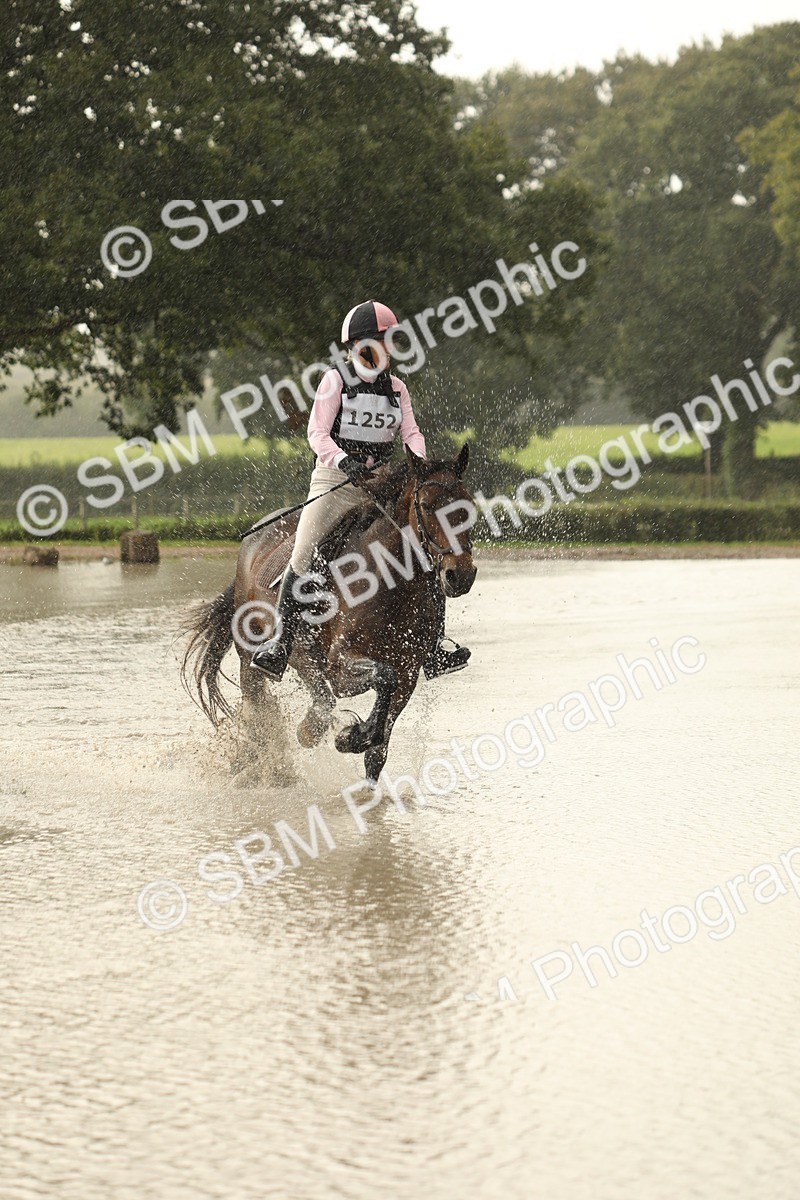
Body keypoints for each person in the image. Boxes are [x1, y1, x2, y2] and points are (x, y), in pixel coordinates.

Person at [250, 298, 471, 682]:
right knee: (304, 551)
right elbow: (316, 433)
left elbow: (411, 432)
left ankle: (433, 649)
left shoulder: (397, 389)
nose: (391, 347)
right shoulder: (335, 380)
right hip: (335, 482)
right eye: (386, 339)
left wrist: (418, 465)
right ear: (363, 344)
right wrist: (342, 460)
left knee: (421, 550)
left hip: (381, 483)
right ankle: (279, 647)